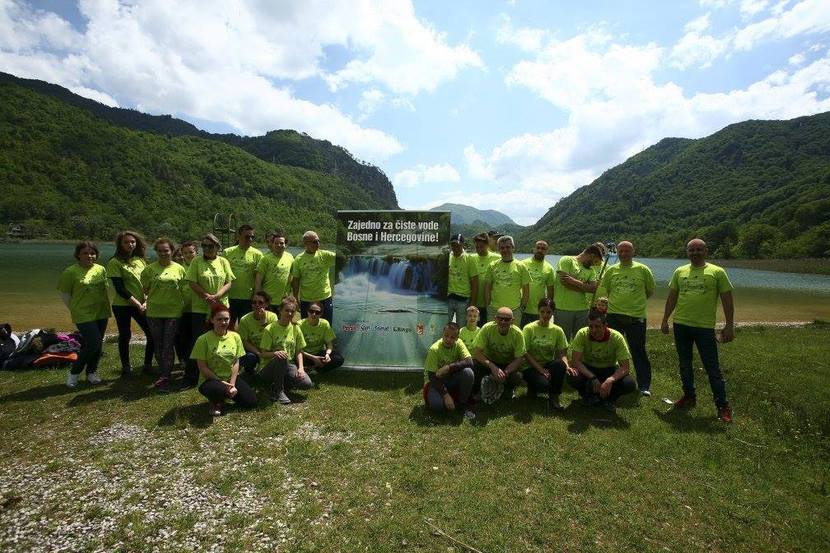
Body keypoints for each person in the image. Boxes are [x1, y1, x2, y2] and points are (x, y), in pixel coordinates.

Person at [661, 238, 735, 422]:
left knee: (712, 368)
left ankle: (722, 405)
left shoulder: (717, 272)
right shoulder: (680, 271)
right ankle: (689, 397)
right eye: (691, 250)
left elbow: (727, 300)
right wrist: (664, 319)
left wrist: (729, 324)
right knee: (684, 364)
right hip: (681, 325)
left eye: (698, 249)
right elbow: (672, 298)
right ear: (687, 252)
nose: (695, 252)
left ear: (706, 251)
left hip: (704, 327)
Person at [597, 241, 656, 396]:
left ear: (633, 252)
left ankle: (644, 385)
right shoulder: (611, 270)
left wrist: (634, 304)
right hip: (614, 316)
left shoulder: (643, 270)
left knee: (638, 351)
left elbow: (649, 291)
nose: (623, 254)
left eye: (627, 251)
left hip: (636, 318)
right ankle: (609, 379)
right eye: (621, 251)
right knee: (611, 349)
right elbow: (607, 290)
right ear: (617, 252)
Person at [184, 233, 235, 387]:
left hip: (221, 308)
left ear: (217, 247)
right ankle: (191, 377)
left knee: (221, 340)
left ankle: (224, 373)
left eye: (210, 246)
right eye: (204, 246)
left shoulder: (224, 261)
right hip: (200, 308)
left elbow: (229, 282)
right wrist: (206, 296)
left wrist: (217, 295)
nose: (207, 249)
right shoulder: (196, 262)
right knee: (198, 342)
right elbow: (192, 282)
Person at [57, 241, 110, 387]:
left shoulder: (101, 269)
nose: (89, 256)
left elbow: (104, 290)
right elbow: (65, 295)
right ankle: (74, 373)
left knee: (98, 344)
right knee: (93, 342)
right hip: (83, 313)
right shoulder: (70, 272)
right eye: (85, 253)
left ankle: (91, 372)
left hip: (101, 311)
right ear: (78, 255)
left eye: (92, 253)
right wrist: (75, 309)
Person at [191, 304, 257, 416]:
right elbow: (202, 367)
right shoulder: (203, 339)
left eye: (226, 319)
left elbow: (236, 361)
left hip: (229, 378)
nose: (223, 322)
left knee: (251, 402)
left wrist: (232, 384)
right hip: (210, 380)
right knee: (218, 389)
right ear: (212, 320)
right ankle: (216, 402)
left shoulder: (235, 336)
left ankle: (226, 393)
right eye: (219, 319)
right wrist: (221, 382)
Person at [140, 238, 187, 393]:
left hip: (173, 311)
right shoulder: (148, 270)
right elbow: (145, 290)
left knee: (168, 343)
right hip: (154, 312)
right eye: (160, 250)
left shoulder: (180, 268)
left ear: (171, 251)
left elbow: (184, 290)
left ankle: (166, 376)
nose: (163, 253)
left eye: (166, 250)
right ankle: (163, 373)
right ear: (156, 252)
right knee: (158, 343)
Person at [568, 310, 637, 410]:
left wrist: (610, 380)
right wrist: (592, 377)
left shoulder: (617, 337)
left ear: (605, 326)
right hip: (589, 369)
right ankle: (587, 396)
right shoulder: (582, 334)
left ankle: (610, 399)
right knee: (572, 375)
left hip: (609, 369)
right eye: (590, 326)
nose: (593, 330)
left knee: (629, 384)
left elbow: (625, 367)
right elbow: (576, 361)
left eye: (597, 326)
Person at [107, 230, 153, 376]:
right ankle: (126, 367)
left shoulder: (141, 260)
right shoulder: (114, 262)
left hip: (141, 304)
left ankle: (147, 365)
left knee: (151, 333)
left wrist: (145, 300)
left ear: (136, 243)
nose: (130, 244)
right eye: (126, 242)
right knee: (125, 335)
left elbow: (146, 283)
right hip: (123, 306)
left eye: (132, 242)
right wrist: (138, 304)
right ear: (120, 244)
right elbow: (120, 289)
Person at [522, 298, 574, 410]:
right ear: (538, 312)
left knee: (560, 364)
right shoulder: (529, 328)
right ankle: (533, 387)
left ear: (553, 313)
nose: (545, 315)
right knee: (543, 386)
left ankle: (554, 396)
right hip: (530, 366)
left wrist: (567, 366)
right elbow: (524, 352)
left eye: (549, 312)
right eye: (542, 312)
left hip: (547, 365)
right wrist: (540, 369)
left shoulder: (557, 330)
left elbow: (562, 353)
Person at [258, 297, 313, 404]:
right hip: (268, 368)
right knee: (281, 356)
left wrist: (301, 368)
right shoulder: (270, 328)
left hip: (289, 365)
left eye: (292, 311)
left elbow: (299, 351)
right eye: (287, 310)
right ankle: (278, 391)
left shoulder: (296, 328)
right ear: (280, 310)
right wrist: (275, 353)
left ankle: (280, 382)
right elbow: (263, 354)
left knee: (307, 384)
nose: (289, 313)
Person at [552, 242, 606, 341]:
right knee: (562, 340)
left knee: (581, 340)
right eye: (594, 261)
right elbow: (564, 282)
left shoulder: (591, 271)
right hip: (563, 308)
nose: (594, 265)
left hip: (583, 310)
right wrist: (585, 287)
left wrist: (573, 281)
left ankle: (577, 357)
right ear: (591, 255)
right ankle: (560, 357)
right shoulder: (567, 260)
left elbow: (593, 289)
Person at [472, 306, 527, 401]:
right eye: (500, 318)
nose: (503, 322)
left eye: (507, 319)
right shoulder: (487, 328)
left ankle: (507, 388)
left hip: (507, 365)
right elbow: (477, 353)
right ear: (495, 319)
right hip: (489, 362)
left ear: (512, 321)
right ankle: (477, 389)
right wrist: (493, 367)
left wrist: (505, 373)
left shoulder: (518, 333)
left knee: (518, 376)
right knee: (474, 364)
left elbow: (519, 358)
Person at [423, 322, 475, 418]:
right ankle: (448, 397)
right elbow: (432, 377)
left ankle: (462, 403)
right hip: (437, 382)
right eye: (446, 336)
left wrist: (448, 367)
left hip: (452, 379)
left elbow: (470, 362)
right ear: (442, 334)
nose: (448, 339)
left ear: (457, 338)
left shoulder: (459, 343)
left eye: (452, 337)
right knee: (437, 406)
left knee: (468, 373)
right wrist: (445, 395)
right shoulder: (434, 349)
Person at [222, 224, 263, 326]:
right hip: (229, 297)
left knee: (245, 328)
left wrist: (256, 295)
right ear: (238, 236)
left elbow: (259, 277)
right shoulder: (227, 252)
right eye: (247, 236)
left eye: (252, 237)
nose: (250, 239)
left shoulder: (257, 254)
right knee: (228, 326)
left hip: (248, 298)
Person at [291, 230, 337, 322]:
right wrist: (296, 298)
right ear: (305, 243)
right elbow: (296, 280)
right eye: (315, 242)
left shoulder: (325, 255)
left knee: (327, 326)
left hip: (325, 298)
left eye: (318, 241)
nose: (318, 244)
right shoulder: (298, 259)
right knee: (306, 326)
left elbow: (343, 258)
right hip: (307, 300)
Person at [484, 236, 530, 322]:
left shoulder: (521, 266)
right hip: (494, 310)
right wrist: (488, 306)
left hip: (514, 310)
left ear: (513, 247)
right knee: (492, 334)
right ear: (498, 249)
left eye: (508, 247)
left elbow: (526, 290)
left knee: (513, 335)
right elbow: (487, 288)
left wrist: (522, 307)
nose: (505, 250)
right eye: (502, 248)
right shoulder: (492, 266)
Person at [237, 291, 277, 376]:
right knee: (250, 357)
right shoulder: (244, 320)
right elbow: (245, 341)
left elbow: (274, 337)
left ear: (266, 304)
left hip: (269, 350)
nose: (257, 305)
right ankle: (249, 372)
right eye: (254, 302)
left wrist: (264, 322)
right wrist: (259, 353)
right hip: (254, 351)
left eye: (260, 302)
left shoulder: (273, 317)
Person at [299, 301, 344, 372]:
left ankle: (313, 368)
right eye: (311, 311)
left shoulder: (324, 324)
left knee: (339, 359)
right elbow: (297, 349)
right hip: (304, 355)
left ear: (321, 314)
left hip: (318, 353)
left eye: (317, 312)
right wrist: (314, 358)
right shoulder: (299, 324)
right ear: (307, 311)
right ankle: (314, 367)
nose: (314, 314)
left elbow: (329, 344)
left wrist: (327, 354)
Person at [255, 230, 294, 312]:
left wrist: (291, 295)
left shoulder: (290, 257)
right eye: (276, 243)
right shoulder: (265, 259)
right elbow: (258, 281)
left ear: (285, 245)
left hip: (283, 301)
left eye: (282, 243)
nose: (279, 245)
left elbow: (292, 277)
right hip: (268, 301)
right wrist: (258, 299)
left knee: (282, 324)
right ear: (272, 244)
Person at [174, 240, 198, 368]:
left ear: (196, 252)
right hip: (182, 308)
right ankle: (183, 359)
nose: (189, 255)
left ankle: (196, 361)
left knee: (196, 336)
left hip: (198, 308)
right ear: (182, 254)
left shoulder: (200, 265)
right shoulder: (178, 267)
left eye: (191, 252)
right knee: (183, 335)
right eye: (185, 252)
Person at [520, 240, 555, 327]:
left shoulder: (549, 268)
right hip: (521, 308)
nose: (540, 250)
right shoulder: (522, 264)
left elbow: (550, 292)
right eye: (538, 248)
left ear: (546, 251)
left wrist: (547, 309)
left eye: (543, 248)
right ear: (533, 249)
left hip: (539, 311)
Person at [446, 234, 479, 324]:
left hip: (463, 301)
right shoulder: (447, 257)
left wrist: (472, 304)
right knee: (445, 326)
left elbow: (475, 283)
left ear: (462, 245)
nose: (455, 247)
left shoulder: (469, 259)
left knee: (461, 328)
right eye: (453, 245)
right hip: (449, 298)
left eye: (458, 245)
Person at [471, 232, 500, 326]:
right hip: (475, 303)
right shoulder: (471, 258)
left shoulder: (497, 258)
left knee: (489, 329)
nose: (479, 249)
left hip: (491, 304)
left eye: (481, 247)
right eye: (477, 247)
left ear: (487, 245)